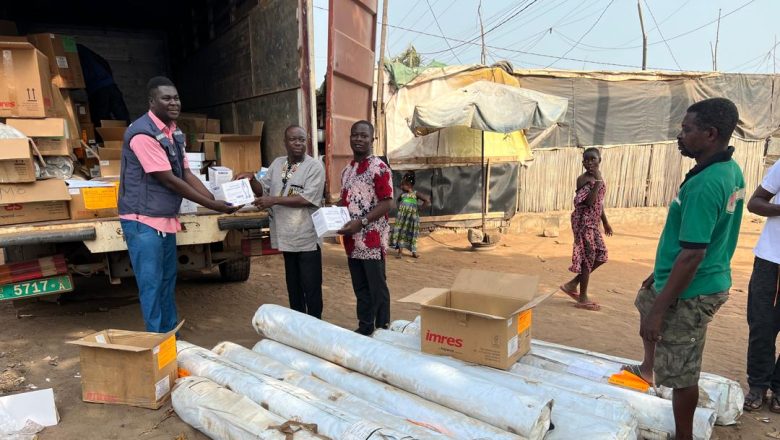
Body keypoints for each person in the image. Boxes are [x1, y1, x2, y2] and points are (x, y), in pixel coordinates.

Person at [623, 98, 744, 440]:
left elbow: (693, 255)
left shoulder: (706, 185)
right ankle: (648, 369)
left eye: (687, 130)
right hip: (685, 274)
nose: (680, 135)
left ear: (710, 134)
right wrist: (659, 275)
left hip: (694, 289)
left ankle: (684, 436)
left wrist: (660, 312)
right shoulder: (726, 169)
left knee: (681, 370)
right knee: (645, 298)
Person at [118, 76, 237, 333]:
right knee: (151, 284)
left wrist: (215, 200)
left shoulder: (173, 132)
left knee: (167, 280)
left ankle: (171, 333)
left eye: (176, 98)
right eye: (166, 98)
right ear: (152, 101)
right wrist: (212, 206)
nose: (174, 103)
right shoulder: (142, 134)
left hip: (163, 219)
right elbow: (169, 180)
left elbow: (186, 174)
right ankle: (159, 342)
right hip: (142, 221)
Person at [235, 125, 326, 318]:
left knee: (311, 287)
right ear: (285, 142)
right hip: (285, 237)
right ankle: (297, 324)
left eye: (302, 139)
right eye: (293, 139)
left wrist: (273, 200)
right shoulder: (278, 164)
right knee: (293, 286)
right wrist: (251, 179)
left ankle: (316, 325)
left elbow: (307, 198)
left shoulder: (314, 167)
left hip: (306, 239)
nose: (298, 143)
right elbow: (263, 190)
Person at [337, 120, 394, 336]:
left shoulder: (378, 168)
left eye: (364, 136)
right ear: (350, 138)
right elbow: (346, 201)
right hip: (352, 241)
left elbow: (388, 202)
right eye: (355, 135)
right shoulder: (347, 170)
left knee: (377, 288)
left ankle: (383, 332)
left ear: (372, 139)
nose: (359, 139)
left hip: (371, 239)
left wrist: (361, 222)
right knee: (360, 288)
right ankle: (365, 327)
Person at [743, 159, 780, 412]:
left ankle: (779, 388)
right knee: (762, 326)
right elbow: (755, 203)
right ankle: (757, 386)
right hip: (771, 261)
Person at [560, 147, 613, 311]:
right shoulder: (582, 179)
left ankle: (573, 284)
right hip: (583, 222)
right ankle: (582, 297)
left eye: (593, 159)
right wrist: (597, 182)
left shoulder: (599, 178)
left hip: (593, 223)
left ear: (599, 160)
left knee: (601, 255)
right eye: (586, 160)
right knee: (587, 257)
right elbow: (589, 202)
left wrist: (605, 222)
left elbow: (599, 202)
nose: (589, 162)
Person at [76, 44, 130, 126]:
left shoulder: (74, 52)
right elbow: (104, 62)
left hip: (98, 90)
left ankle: (106, 138)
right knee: (122, 117)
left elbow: (76, 77)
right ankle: (129, 137)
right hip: (111, 86)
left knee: (99, 120)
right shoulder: (87, 53)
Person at [390, 171, 430, 258]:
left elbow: (427, 201)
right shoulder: (402, 195)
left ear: (408, 185)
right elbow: (397, 201)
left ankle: (414, 252)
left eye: (403, 185)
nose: (401, 187)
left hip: (412, 219)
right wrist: (400, 209)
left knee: (413, 233)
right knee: (402, 233)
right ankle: (400, 253)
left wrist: (420, 208)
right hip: (403, 219)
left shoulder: (416, 194)